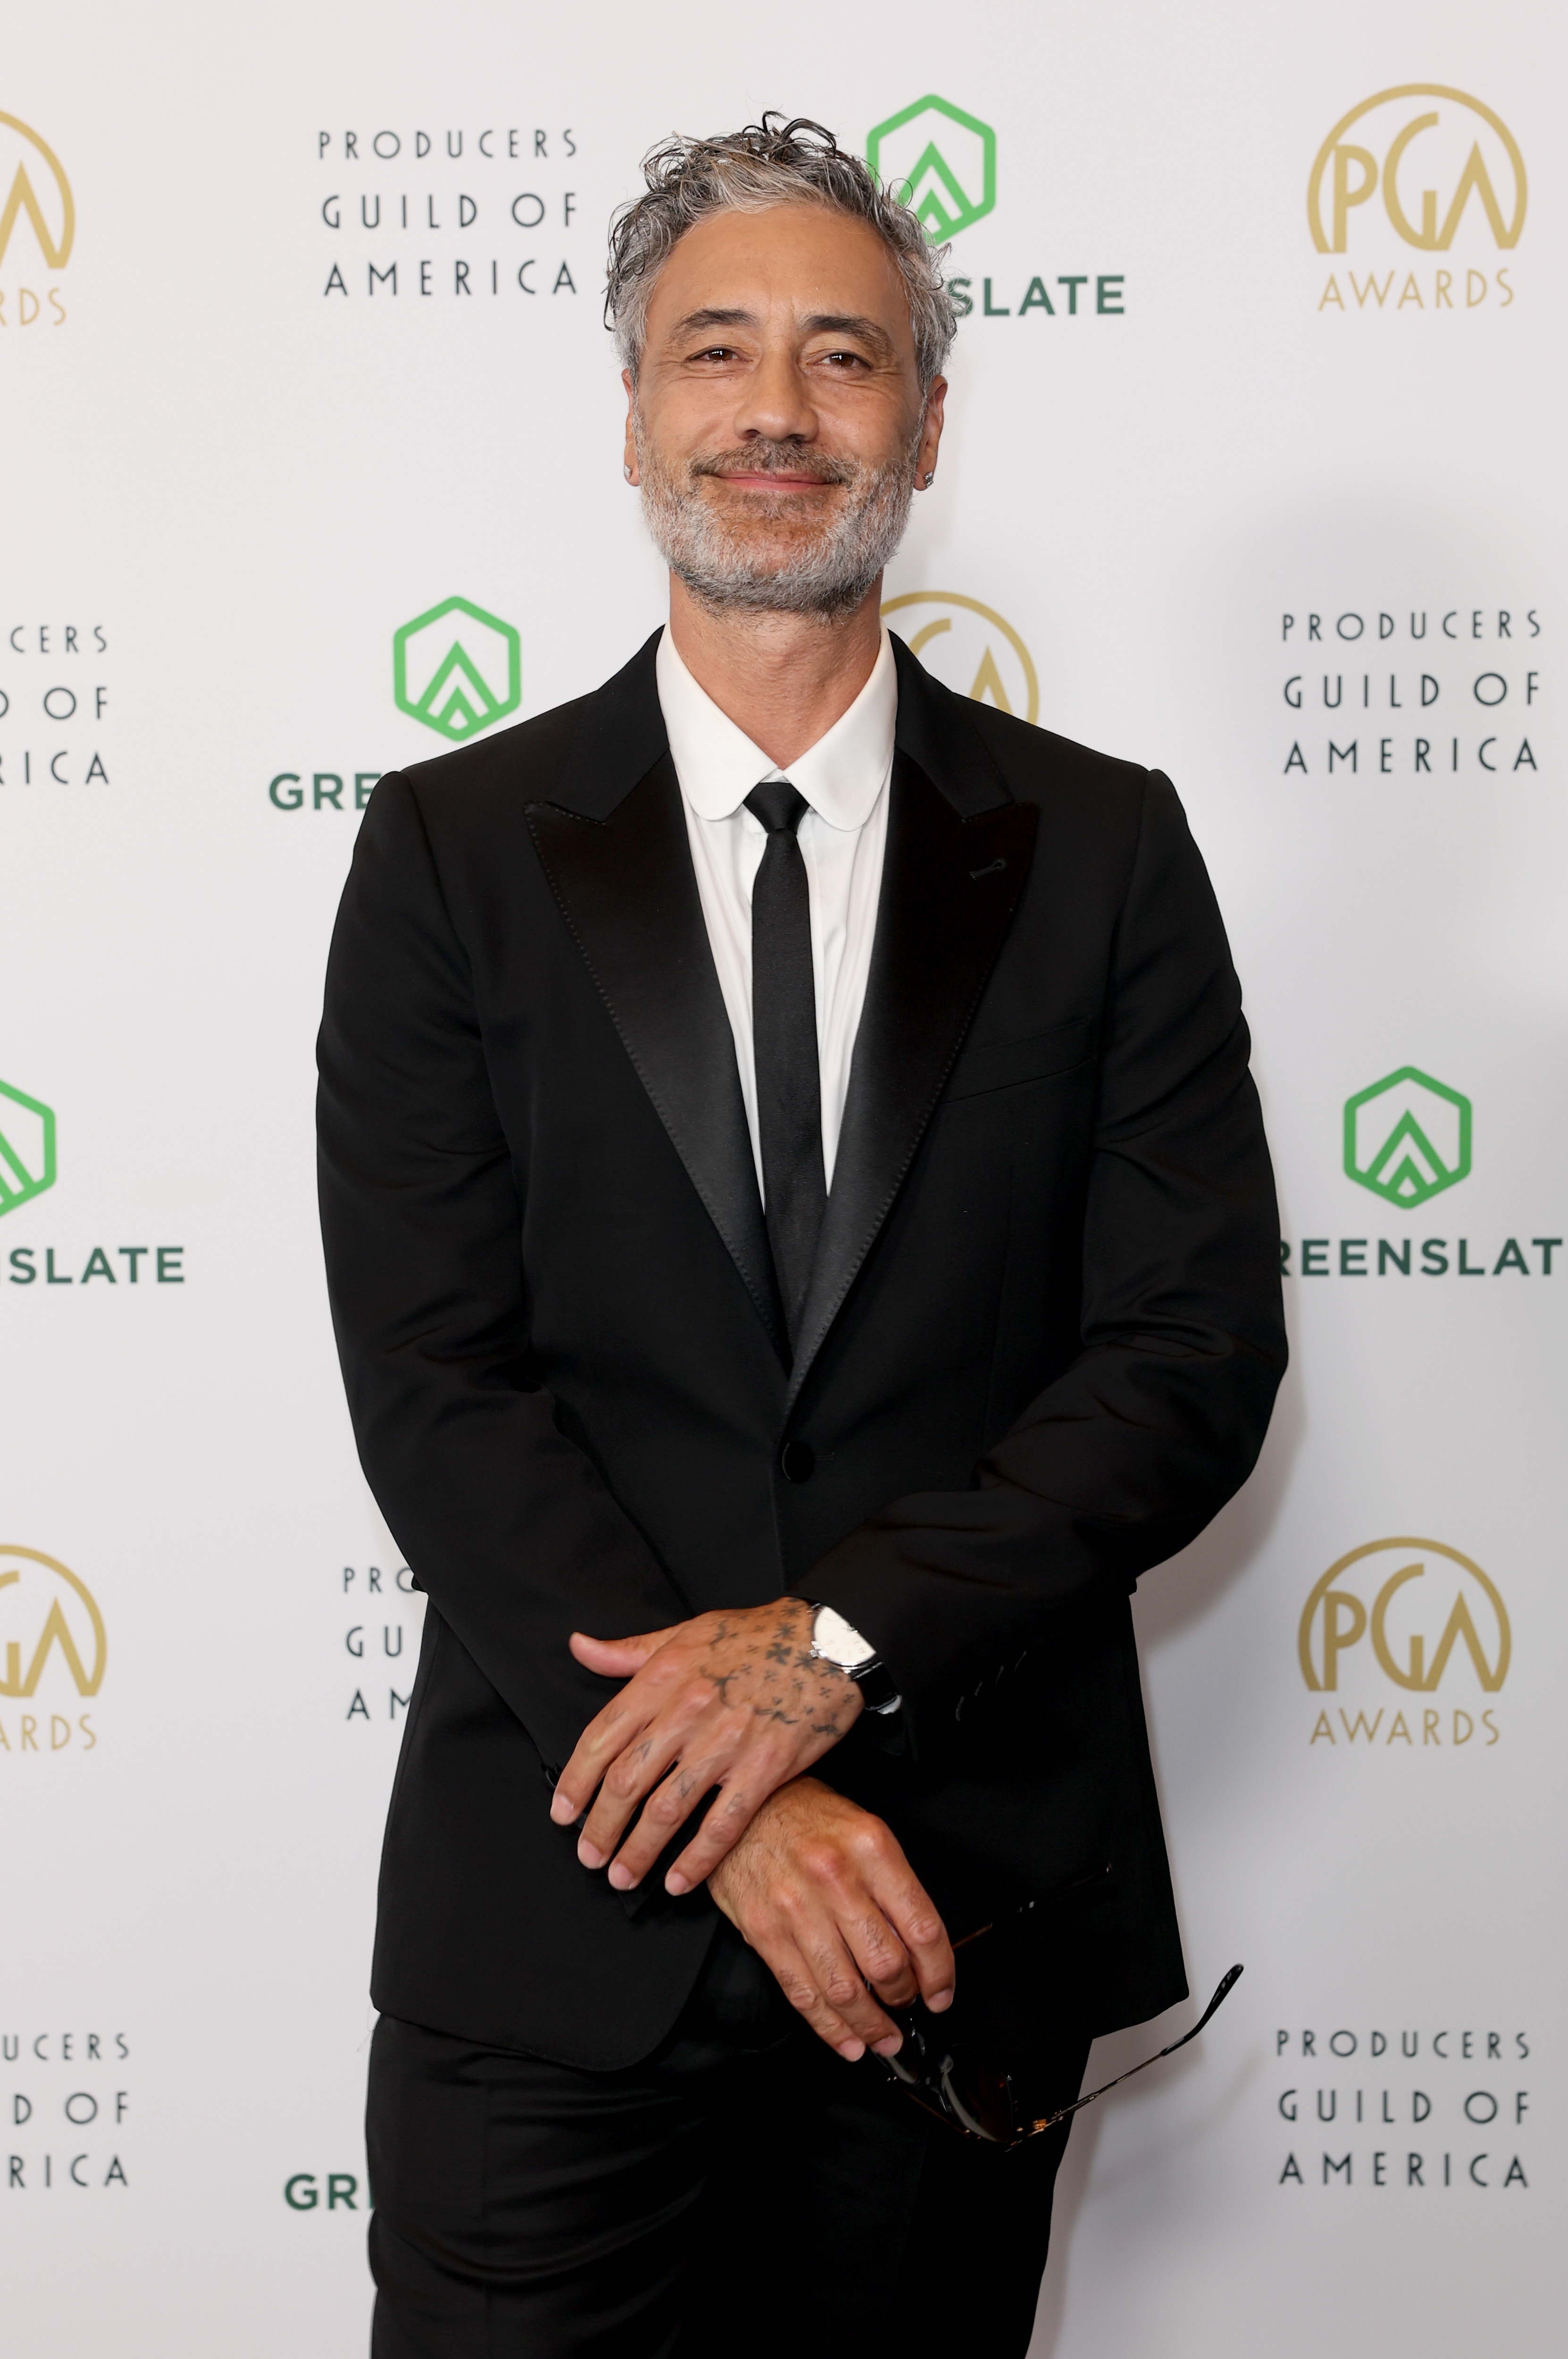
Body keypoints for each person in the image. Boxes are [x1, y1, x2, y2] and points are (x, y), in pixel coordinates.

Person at [317, 113, 1285, 2359]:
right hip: (557, 1925)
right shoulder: (452, 847)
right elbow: (438, 1376)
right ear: (633, 410)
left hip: (953, 1913)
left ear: (926, 422)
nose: (777, 410)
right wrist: (731, 1798)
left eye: (843, 356)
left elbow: (1184, 1357)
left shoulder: (1104, 851)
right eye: (716, 350)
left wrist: (835, 1650)